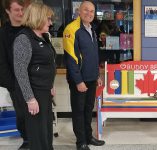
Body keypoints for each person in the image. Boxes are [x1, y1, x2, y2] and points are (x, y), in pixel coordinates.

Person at [13, 2, 56, 150]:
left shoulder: (43, 36)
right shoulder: (23, 39)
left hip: (44, 91)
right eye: (48, 19)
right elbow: (20, 72)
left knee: (46, 131)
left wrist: (51, 85)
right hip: (34, 94)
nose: (50, 23)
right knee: (38, 133)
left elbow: (47, 63)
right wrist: (30, 98)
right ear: (38, 18)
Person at [63, 1, 105, 150]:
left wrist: (97, 75)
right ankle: (80, 141)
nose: (89, 13)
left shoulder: (91, 29)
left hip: (91, 78)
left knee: (88, 110)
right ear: (79, 11)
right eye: (86, 10)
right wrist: (78, 81)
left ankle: (89, 137)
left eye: (92, 11)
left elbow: (93, 55)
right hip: (79, 80)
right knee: (79, 111)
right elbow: (71, 58)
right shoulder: (71, 29)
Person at [0, 0, 28, 149]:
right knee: (22, 114)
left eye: (22, 10)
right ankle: (26, 139)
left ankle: (37, 138)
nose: (21, 13)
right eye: (17, 10)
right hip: (15, 82)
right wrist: (11, 84)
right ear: (8, 12)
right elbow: (2, 62)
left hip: (33, 80)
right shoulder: (3, 33)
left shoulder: (29, 29)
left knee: (35, 113)